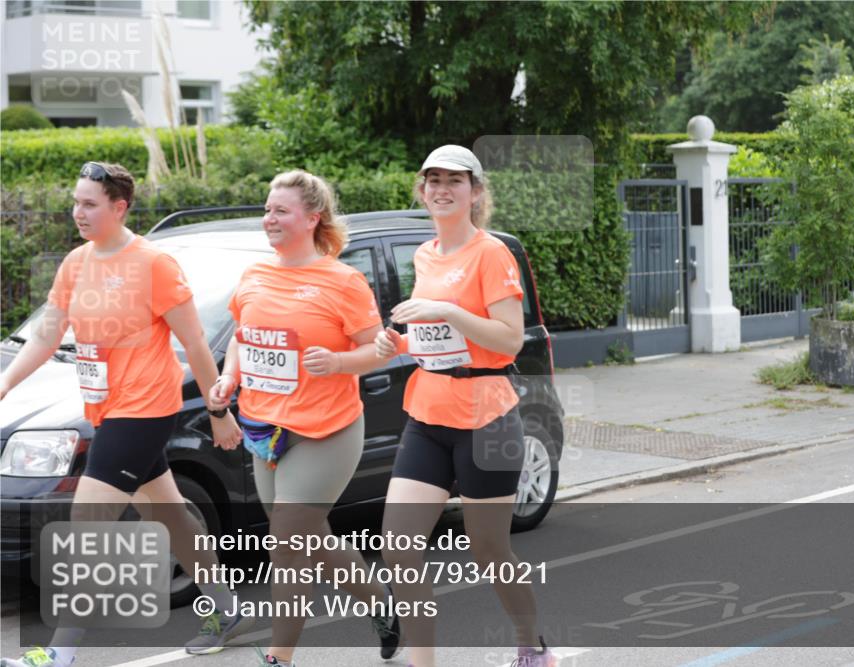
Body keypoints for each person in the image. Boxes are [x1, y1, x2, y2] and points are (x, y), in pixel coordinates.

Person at [0, 162, 246, 667]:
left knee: (86, 522)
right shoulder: (76, 263)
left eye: (89, 204)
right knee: (171, 513)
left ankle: (59, 655)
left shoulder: (153, 264)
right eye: (75, 201)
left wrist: (219, 409)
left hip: (146, 407)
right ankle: (225, 604)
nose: (78, 212)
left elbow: (196, 342)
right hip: (106, 409)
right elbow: (47, 335)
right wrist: (3, 384)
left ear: (119, 207)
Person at [207, 170, 400, 667]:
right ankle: (379, 603)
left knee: (286, 543)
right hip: (264, 429)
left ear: (312, 218)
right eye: (268, 209)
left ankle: (279, 658)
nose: (269, 219)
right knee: (308, 537)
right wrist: (229, 379)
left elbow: (377, 352)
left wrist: (337, 363)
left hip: (326, 429)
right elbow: (241, 341)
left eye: (281, 211)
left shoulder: (343, 280)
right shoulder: (255, 275)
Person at [374, 146, 556, 667]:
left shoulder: (491, 253)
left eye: (454, 180)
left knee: (490, 553)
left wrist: (448, 310)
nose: (440, 188)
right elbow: (435, 339)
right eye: (432, 179)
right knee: (399, 548)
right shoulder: (426, 253)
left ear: (476, 192)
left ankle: (532, 647)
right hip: (429, 415)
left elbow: (509, 341)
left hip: (487, 419)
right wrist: (400, 343)